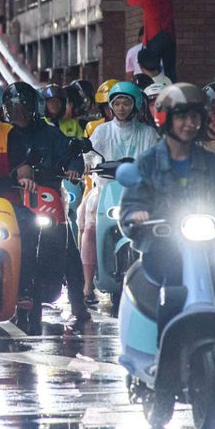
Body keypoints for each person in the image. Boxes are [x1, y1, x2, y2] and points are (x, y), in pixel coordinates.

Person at [119, 84, 215, 287]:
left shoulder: (210, 161)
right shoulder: (147, 162)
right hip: (161, 250)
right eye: (181, 117)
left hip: (205, 249)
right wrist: (136, 214)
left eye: (195, 117)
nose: (189, 123)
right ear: (166, 119)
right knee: (172, 297)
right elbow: (130, 205)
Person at [2, 82, 89, 324]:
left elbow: (71, 154)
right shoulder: (4, 133)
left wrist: (73, 168)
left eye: (23, 107)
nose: (17, 112)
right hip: (14, 198)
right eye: (12, 108)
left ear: (34, 107)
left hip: (48, 197)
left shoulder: (49, 132)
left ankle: (78, 302)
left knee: (69, 247)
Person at [80, 81, 157, 302]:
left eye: (126, 103)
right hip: (106, 188)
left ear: (135, 105)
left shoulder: (148, 133)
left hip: (139, 190)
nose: (121, 108)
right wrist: (87, 163)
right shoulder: (101, 131)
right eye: (117, 103)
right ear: (111, 106)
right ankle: (87, 284)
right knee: (89, 225)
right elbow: (89, 155)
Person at [107, 0, 176, 80]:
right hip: (169, 33)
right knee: (170, 70)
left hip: (154, 35)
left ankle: (153, 88)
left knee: (146, 62)